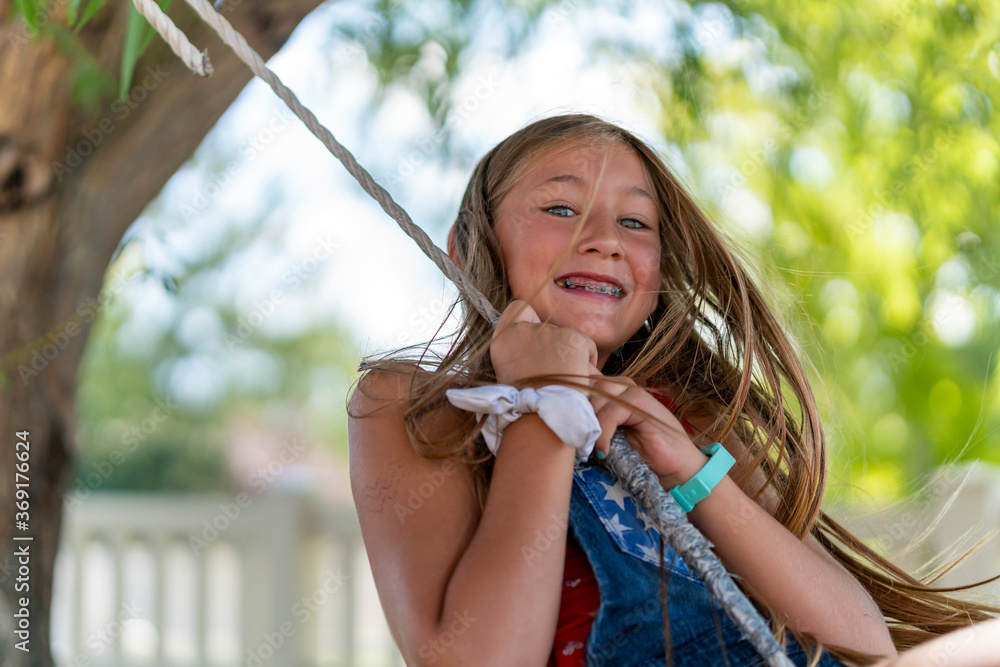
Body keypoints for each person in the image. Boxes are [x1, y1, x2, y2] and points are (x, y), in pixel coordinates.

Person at [346, 114, 1000, 667]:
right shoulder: (414, 406)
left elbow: (863, 641)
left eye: (635, 223)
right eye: (561, 208)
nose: (602, 239)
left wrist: (693, 471)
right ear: (469, 245)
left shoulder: (687, 412)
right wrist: (548, 406)